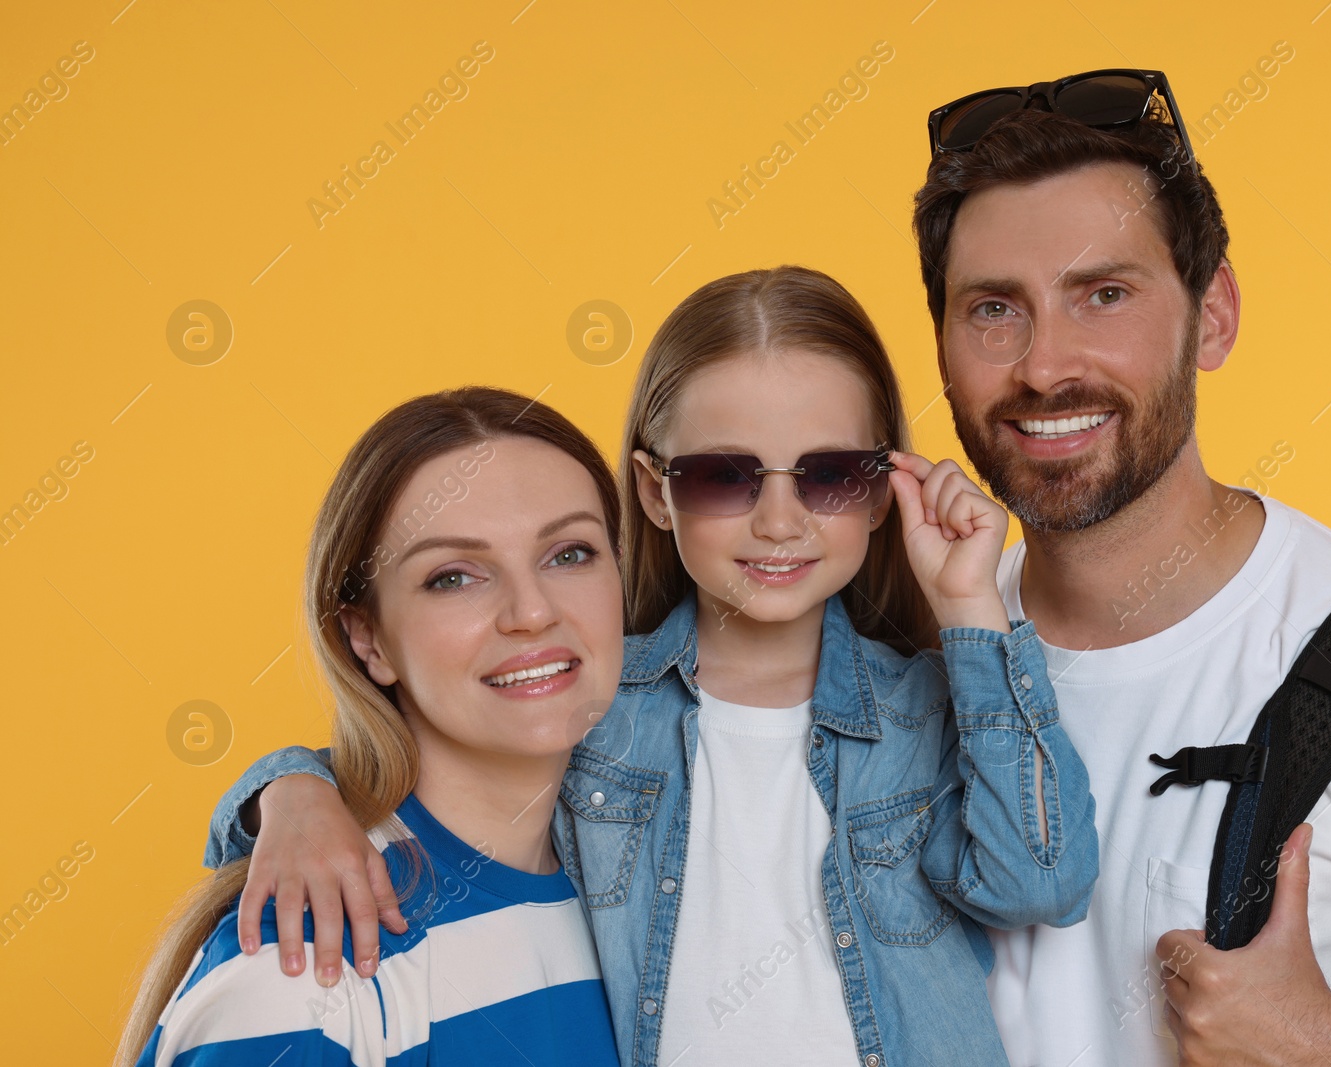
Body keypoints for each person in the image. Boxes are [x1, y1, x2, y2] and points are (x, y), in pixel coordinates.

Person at [198, 267, 1100, 1065]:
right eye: (725, 477)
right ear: (653, 492)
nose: (780, 523)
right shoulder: (593, 699)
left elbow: (1042, 881)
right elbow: (431, 768)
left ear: (879, 492)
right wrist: (292, 793)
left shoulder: (926, 711)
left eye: (828, 475)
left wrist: (973, 613)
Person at [913, 71, 1331, 1064]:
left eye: (1103, 293)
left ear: (1215, 313)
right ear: (940, 344)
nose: (1043, 363)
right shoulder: (920, 656)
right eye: (991, 308)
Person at [117, 387, 625, 1066]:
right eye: (453, 576)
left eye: (570, 553)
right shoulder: (305, 967)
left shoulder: (643, 888)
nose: (531, 612)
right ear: (368, 639)